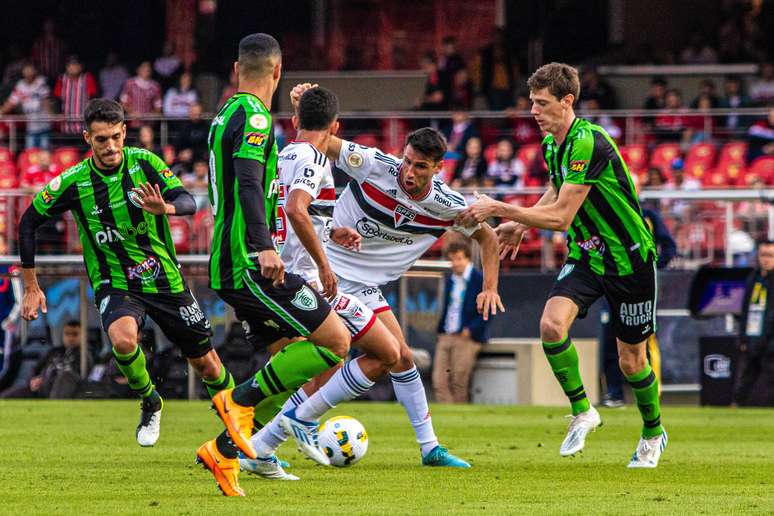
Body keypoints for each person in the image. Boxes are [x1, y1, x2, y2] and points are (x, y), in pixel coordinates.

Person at [278, 82, 504, 470]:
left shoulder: (447, 205)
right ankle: (267, 437)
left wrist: (489, 287)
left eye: (420, 166)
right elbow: (322, 142)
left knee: (399, 358)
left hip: (365, 287)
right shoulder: (374, 164)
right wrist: (308, 109)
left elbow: (487, 237)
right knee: (333, 366)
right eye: (407, 161)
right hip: (325, 274)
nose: (409, 172)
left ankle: (430, 448)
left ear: (438, 168)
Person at [461, 62, 666, 468]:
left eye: (541, 103)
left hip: (630, 260)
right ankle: (583, 411)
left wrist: (503, 210)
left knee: (631, 361)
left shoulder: (589, 141)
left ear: (567, 101)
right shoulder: (554, 143)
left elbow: (561, 218)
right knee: (551, 326)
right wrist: (519, 227)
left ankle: (652, 431)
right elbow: (556, 189)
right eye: (532, 102)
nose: (533, 111)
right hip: (588, 254)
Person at [18, 98, 235, 448]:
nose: (111, 146)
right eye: (102, 139)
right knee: (122, 339)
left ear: (124, 132)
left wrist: (163, 207)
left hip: (164, 278)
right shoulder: (74, 182)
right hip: (114, 281)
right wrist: (31, 285)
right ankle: (150, 400)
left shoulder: (145, 163)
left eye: (117, 137)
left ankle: (240, 426)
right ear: (88, 137)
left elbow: (188, 201)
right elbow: (28, 222)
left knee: (207, 364)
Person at [196, 34, 350, 497]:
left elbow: (253, 174)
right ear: (278, 71)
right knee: (335, 342)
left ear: (235, 68)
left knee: (289, 360)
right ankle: (237, 403)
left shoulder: (227, 113)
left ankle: (226, 452)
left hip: (231, 256)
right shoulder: (257, 117)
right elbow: (247, 180)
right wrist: (265, 247)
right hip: (247, 261)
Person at [242, 85, 402, 479]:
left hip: (279, 277)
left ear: (295, 122)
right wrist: (325, 265)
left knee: (302, 365)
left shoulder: (281, 156)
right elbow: (297, 210)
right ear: (335, 126)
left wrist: (333, 231)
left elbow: (299, 216)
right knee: (387, 352)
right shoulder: (313, 158)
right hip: (306, 282)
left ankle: (252, 441)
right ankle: (291, 424)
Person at [433, 240, 488, 403]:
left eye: (459, 259)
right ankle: (446, 417)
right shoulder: (451, 280)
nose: (455, 263)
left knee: (459, 381)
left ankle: (459, 417)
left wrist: (471, 330)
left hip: (466, 337)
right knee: (439, 380)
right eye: (452, 259)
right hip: (447, 334)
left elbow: (488, 310)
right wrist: (441, 330)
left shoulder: (479, 279)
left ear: (468, 259)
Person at [734, 240, 774, 406]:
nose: (766, 259)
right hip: (752, 336)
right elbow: (745, 310)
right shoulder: (753, 278)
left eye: (770, 255)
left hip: (771, 339)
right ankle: (736, 406)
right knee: (746, 376)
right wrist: (743, 337)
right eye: (763, 255)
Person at [1, 320, 84, 399]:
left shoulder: (84, 355)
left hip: (59, 389)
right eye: (67, 334)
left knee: (65, 377)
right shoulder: (54, 351)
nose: (70, 338)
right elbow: (36, 368)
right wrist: (32, 380)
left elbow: (75, 375)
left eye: (75, 334)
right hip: (38, 388)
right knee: (5, 398)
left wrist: (45, 380)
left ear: (83, 336)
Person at [0, 62, 52, 149]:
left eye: (30, 70)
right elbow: (11, 102)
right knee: (30, 152)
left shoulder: (41, 82)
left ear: (35, 71)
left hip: (44, 125)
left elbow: (46, 101)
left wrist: (52, 117)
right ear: (23, 72)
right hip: (31, 127)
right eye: (26, 70)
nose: (28, 72)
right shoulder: (21, 85)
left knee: (44, 150)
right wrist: (1, 111)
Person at [53, 55, 98, 135]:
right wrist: (58, 113)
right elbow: (56, 99)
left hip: (83, 123)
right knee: (67, 147)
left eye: (76, 65)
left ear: (81, 67)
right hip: (66, 124)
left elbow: (93, 98)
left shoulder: (87, 78)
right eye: (70, 65)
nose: (73, 67)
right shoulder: (61, 79)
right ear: (66, 67)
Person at [120, 62, 162, 128]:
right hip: (132, 123)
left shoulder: (155, 86)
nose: (146, 70)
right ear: (138, 69)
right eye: (143, 68)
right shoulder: (130, 83)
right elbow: (123, 102)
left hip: (148, 124)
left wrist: (152, 114)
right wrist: (132, 113)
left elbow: (158, 105)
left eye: (148, 68)